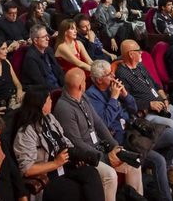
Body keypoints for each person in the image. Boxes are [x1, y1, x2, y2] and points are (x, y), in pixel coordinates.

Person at [87, 60, 173, 199]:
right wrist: (114, 98)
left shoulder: (112, 87)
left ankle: (155, 181)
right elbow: (104, 123)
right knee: (159, 160)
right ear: (99, 80)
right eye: (109, 74)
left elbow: (133, 109)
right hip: (122, 140)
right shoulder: (92, 96)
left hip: (134, 131)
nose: (113, 76)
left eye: (112, 73)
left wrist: (125, 95)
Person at [52, 68, 144, 201]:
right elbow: (77, 143)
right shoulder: (64, 108)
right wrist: (105, 158)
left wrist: (115, 147)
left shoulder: (83, 97)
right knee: (110, 174)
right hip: (86, 157)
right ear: (80, 86)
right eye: (84, 81)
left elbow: (99, 123)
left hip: (100, 147)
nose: (86, 83)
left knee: (133, 162)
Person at [11, 86, 104, 201]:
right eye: (49, 99)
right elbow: (27, 170)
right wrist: (55, 163)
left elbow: (64, 139)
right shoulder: (26, 132)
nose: (51, 101)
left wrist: (76, 156)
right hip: (48, 176)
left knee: (91, 173)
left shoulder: (49, 118)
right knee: (75, 190)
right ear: (41, 105)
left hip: (65, 167)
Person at [114, 41, 173, 167]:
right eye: (138, 50)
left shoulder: (140, 66)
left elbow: (155, 85)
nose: (141, 52)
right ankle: (171, 166)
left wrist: (164, 98)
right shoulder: (121, 74)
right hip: (147, 113)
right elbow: (127, 102)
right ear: (131, 54)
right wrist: (149, 105)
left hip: (163, 106)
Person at [0, 38, 24, 109]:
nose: (6, 51)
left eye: (6, 48)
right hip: (2, 103)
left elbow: (17, 83)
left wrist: (19, 90)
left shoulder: (6, 62)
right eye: (3, 49)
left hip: (15, 97)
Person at [21, 24, 64, 90]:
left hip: (58, 86)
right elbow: (40, 82)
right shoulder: (30, 58)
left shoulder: (49, 50)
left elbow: (59, 71)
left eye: (47, 36)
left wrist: (66, 86)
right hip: (46, 90)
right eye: (44, 37)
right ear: (35, 40)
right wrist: (59, 91)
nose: (48, 39)